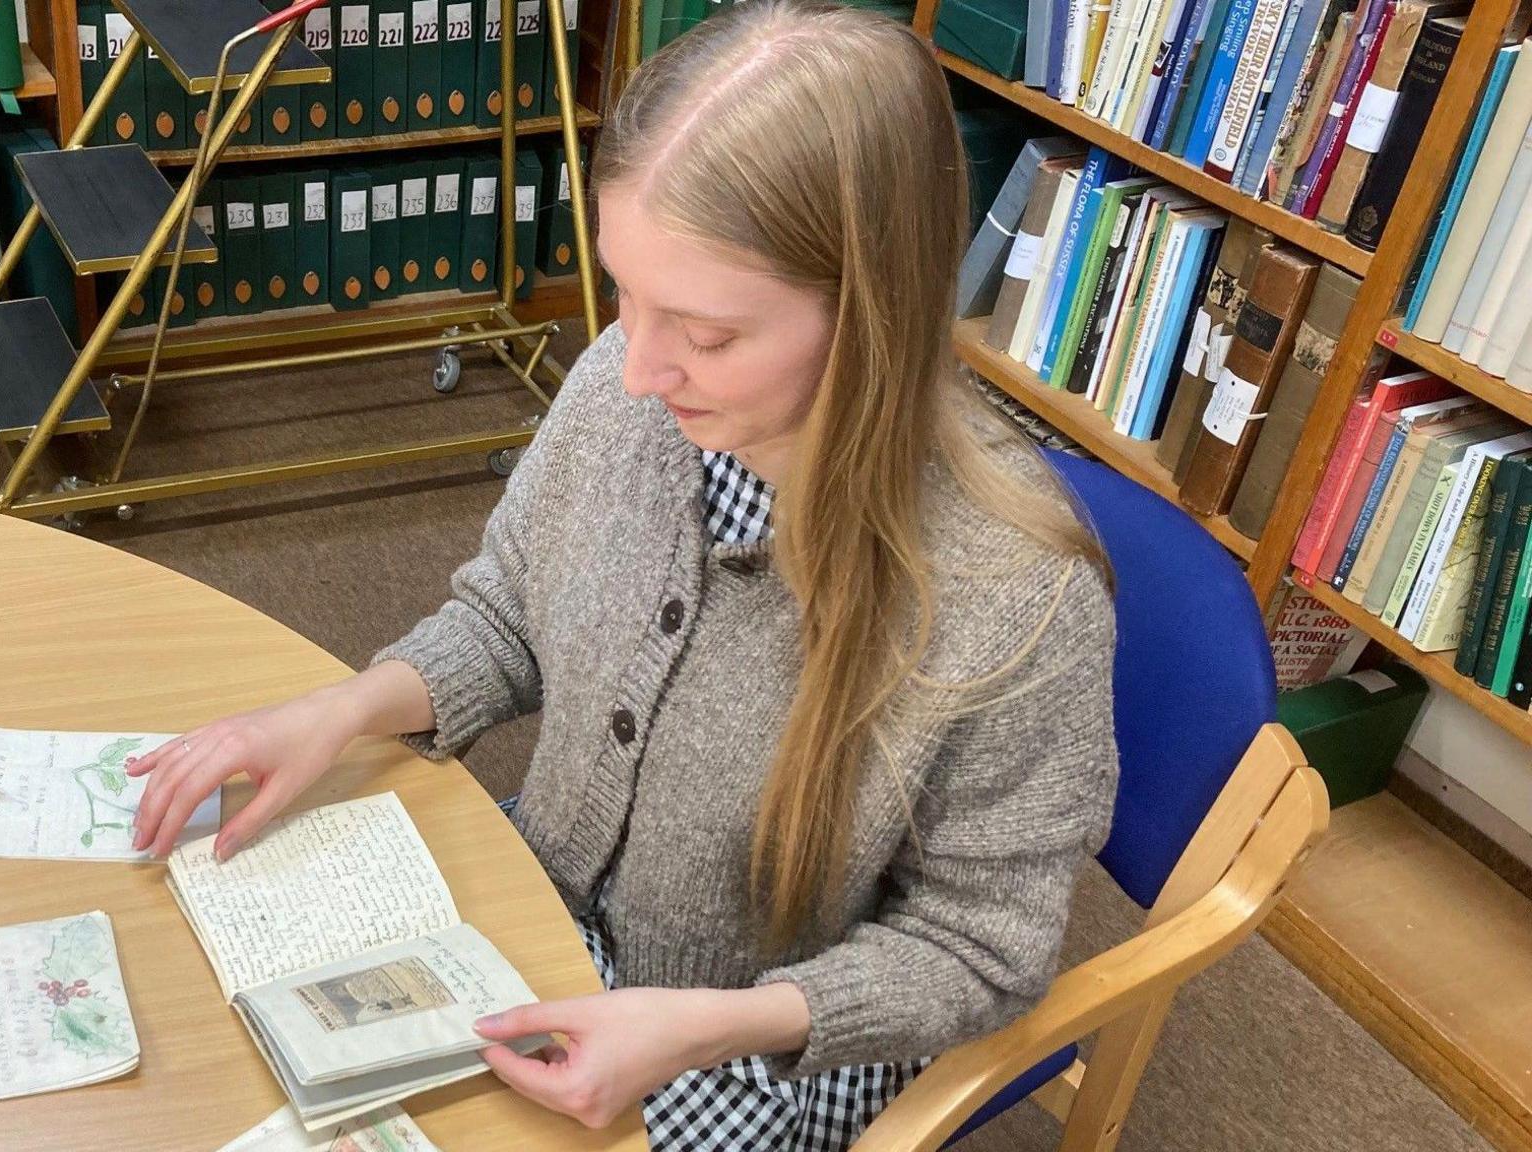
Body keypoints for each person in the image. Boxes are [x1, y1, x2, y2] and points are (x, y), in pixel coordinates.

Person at [126, 2, 1118, 1146]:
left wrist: (707, 1027)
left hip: (756, 1051)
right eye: (622, 292)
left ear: (872, 314)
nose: (636, 367)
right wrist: (341, 709)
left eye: (702, 332)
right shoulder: (626, 390)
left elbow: (979, 950)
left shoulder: (1015, 597)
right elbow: (510, 615)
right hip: (543, 920)